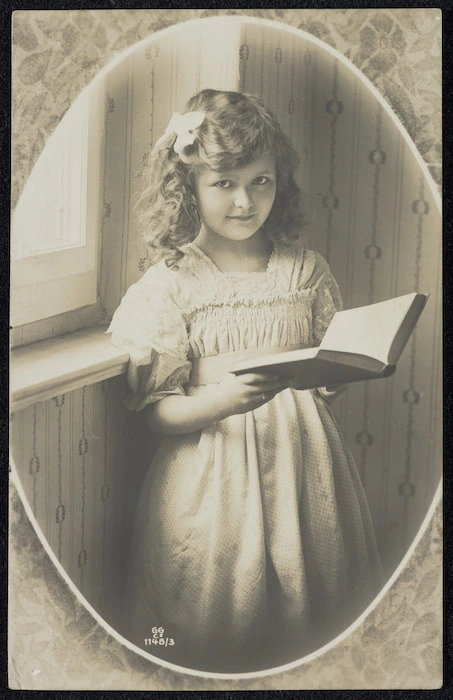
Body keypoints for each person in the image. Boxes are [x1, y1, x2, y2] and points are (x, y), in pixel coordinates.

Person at [108, 89, 383, 673]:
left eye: (261, 181)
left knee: (309, 617)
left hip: (307, 473)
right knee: (216, 621)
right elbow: (157, 411)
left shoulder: (305, 269)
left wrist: (333, 380)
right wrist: (224, 401)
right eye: (224, 183)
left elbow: (327, 357)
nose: (244, 200)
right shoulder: (172, 285)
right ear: (189, 189)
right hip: (213, 481)